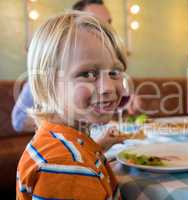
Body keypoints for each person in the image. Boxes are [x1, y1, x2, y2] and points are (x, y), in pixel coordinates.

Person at [17, 11, 128, 199]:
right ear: (48, 83)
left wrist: (97, 147)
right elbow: (72, 169)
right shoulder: (68, 167)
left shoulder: (59, 140)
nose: (108, 87)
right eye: (87, 74)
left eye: (114, 71)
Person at [12, 0, 112, 132]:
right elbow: (18, 120)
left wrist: (125, 102)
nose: (106, 32)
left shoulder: (109, 65)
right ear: (75, 25)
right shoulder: (50, 69)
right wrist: (68, 119)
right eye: (94, 23)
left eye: (108, 24)